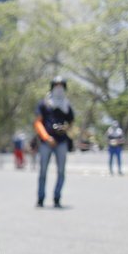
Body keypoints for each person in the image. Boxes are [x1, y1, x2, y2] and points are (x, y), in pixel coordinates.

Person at [34, 76, 75, 208]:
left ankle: (57, 197)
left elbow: (71, 122)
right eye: (56, 85)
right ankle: (41, 198)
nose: (59, 88)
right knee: (43, 171)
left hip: (61, 141)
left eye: (61, 85)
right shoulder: (44, 103)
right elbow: (38, 122)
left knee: (61, 171)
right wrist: (46, 137)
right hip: (47, 142)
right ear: (52, 87)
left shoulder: (66, 105)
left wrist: (65, 128)